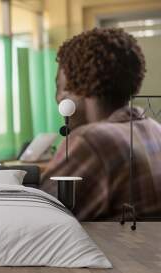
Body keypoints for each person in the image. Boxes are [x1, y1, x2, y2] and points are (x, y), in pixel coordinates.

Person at [41, 28, 161, 221]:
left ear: (79, 87)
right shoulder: (153, 128)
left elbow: (40, 218)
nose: (58, 97)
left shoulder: (91, 142)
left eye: (60, 87)